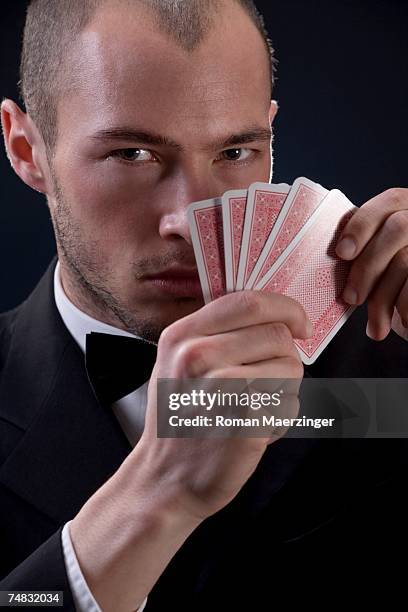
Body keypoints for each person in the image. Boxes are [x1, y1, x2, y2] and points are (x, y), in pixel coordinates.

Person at [0, 0, 407, 610]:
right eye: (131, 154)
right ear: (27, 149)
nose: (191, 222)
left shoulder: (388, 368)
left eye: (234, 153)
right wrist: (154, 493)